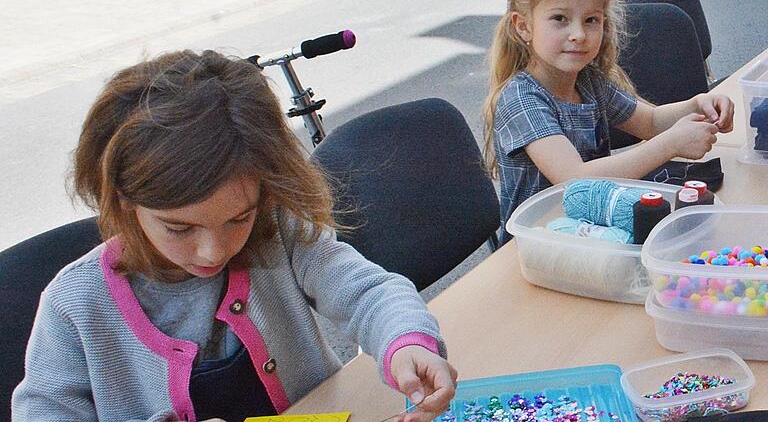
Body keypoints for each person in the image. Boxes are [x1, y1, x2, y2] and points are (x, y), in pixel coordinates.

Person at [12, 50, 456, 422]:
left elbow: (369, 293)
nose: (215, 250)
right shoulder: (74, 307)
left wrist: (405, 342)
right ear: (125, 200)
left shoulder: (278, 233)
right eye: (179, 228)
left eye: (239, 218)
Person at [483, 0, 735, 244]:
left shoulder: (589, 81)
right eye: (560, 18)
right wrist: (671, 144)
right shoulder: (521, 99)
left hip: (592, 228)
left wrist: (697, 106)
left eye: (591, 20)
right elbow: (574, 179)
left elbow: (650, 122)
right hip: (534, 244)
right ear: (524, 27)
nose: (579, 35)